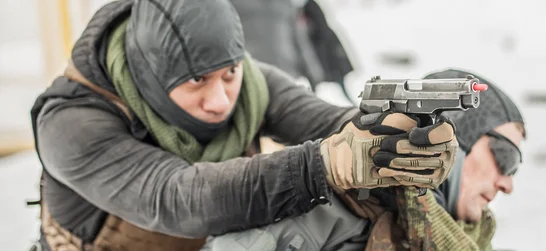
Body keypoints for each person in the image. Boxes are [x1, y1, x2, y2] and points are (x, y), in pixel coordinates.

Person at [28, 0, 457, 250]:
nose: (220, 101)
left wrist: (393, 136)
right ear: (150, 76)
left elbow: (330, 123)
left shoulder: (251, 84)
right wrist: (323, 166)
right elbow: (179, 198)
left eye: (229, 74)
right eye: (196, 80)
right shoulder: (71, 124)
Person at [337, 69, 526, 250]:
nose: (507, 185)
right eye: (506, 157)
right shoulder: (342, 218)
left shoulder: (475, 238)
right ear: (455, 142)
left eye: (514, 168)